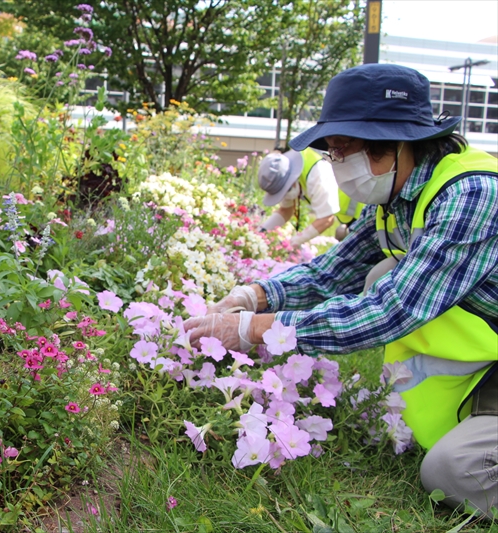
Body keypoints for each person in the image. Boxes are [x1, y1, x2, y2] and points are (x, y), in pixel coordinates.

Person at [185, 63, 498, 518]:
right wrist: (254, 296)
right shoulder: (398, 195)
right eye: (332, 152)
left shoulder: (470, 194)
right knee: (378, 270)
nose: (338, 165)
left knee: (453, 472)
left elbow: (392, 310)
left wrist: (256, 330)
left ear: (397, 143)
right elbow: (333, 272)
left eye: (344, 149)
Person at [257, 149, 363, 246]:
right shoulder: (289, 171)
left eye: (284, 191)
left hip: (362, 206)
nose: (285, 196)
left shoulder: (317, 172)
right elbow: (285, 211)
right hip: (350, 213)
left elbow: (326, 219)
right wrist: (260, 233)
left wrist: (293, 243)